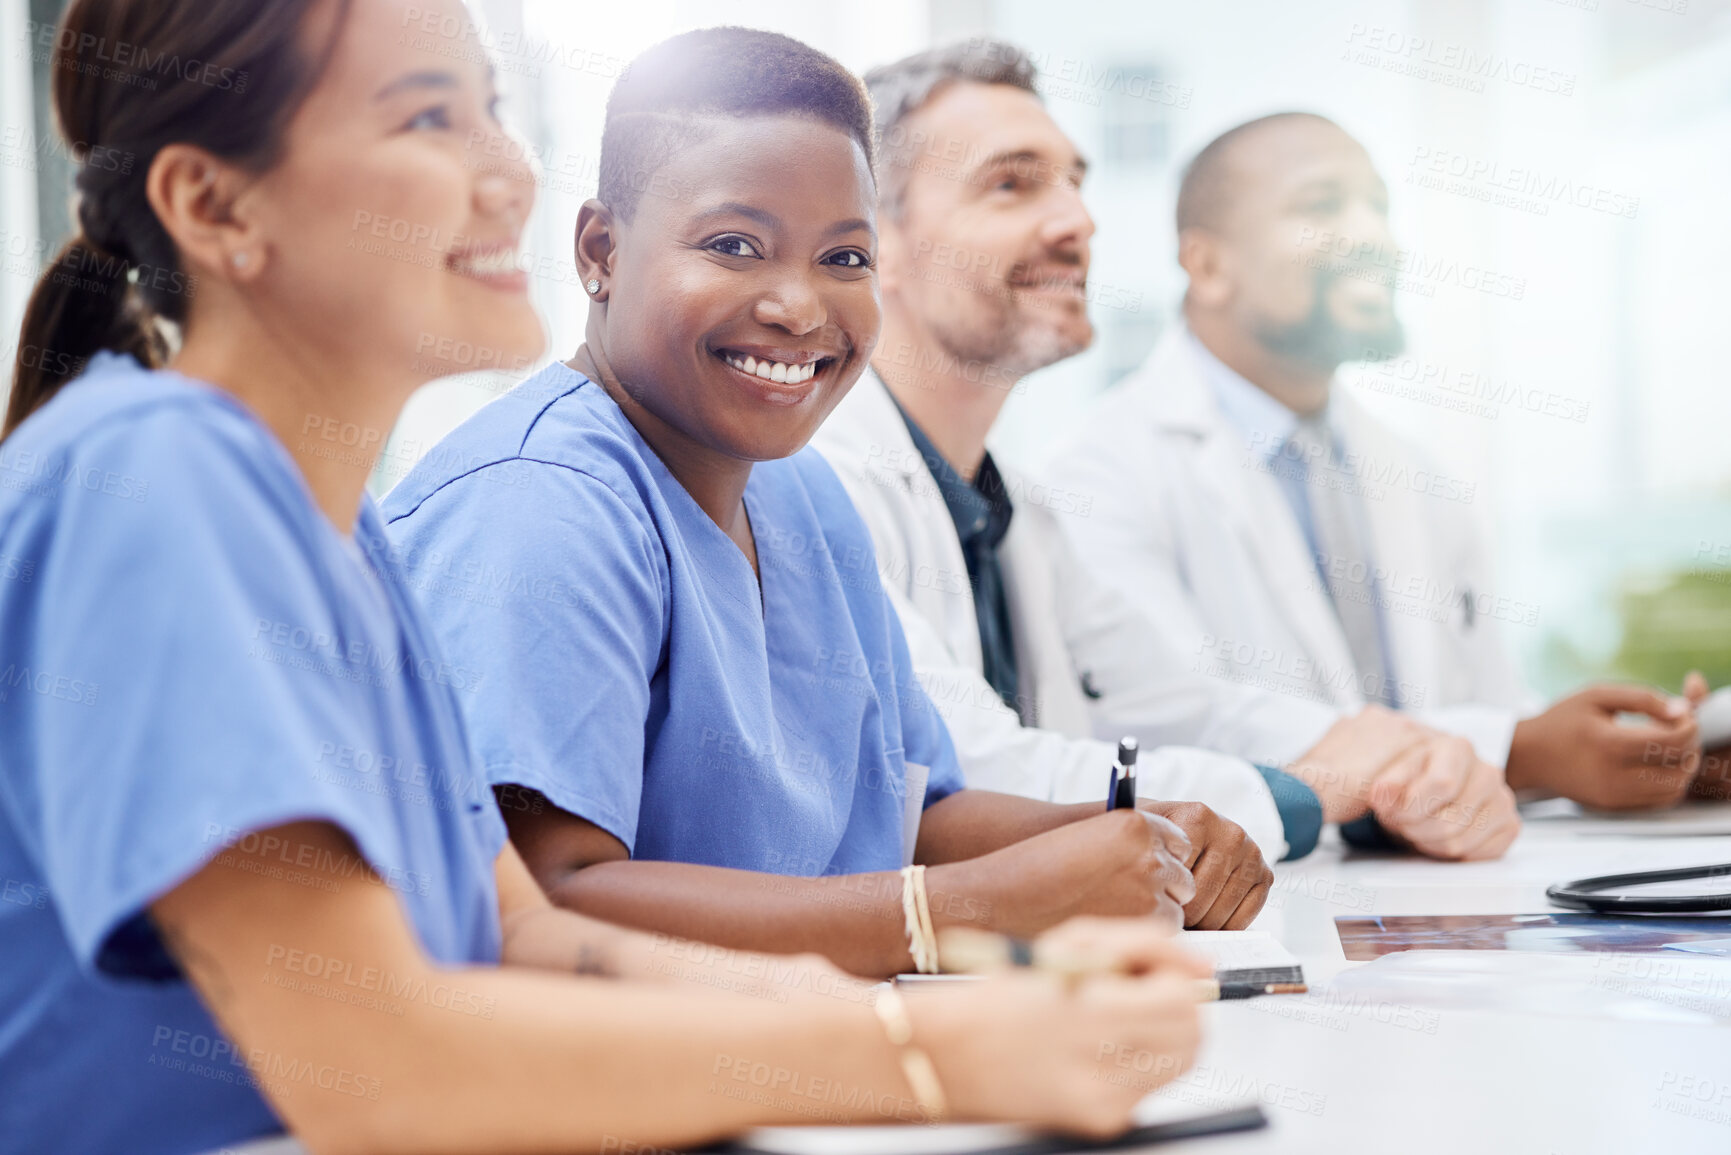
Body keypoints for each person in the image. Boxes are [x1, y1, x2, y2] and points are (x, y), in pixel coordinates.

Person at [0, 3, 1208, 1152]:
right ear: (214, 207)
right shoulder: (155, 479)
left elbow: (526, 938)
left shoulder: (334, 527)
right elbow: (376, 1063)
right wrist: (930, 1061)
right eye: (427, 120)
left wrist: (978, 1005)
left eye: (491, 109)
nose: (506, 173)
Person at [383, 26, 1275, 968]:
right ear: (600, 248)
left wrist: (1130, 837)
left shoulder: (798, 493)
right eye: (735, 245)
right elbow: (545, 904)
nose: (799, 307)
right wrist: (961, 911)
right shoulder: (540, 506)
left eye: (844, 258)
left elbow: (910, 812)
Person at [809, 44, 1519, 863]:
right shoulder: (822, 478)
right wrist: (1307, 788)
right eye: (1010, 183)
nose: (1078, 220)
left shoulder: (1023, 514)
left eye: (1074, 181)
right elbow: (965, 773)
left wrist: (1398, 761)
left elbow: (1179, 707)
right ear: (874, 241)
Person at [1048, 112, 1701, 813]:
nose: (1374, 238)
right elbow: (1176, 720)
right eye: (1322, 205)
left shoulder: (1415, 477)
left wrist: (1630, 754)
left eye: (1379, 208)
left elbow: (1492, 714)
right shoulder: (1099, 476)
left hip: (1452, 899)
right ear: (1207, 266)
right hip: (1253, 909)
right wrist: (1521, 747)